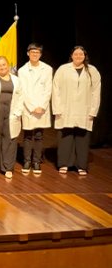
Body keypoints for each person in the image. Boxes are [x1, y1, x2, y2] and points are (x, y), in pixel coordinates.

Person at [53, 46, 102, 175]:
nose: (78, 56)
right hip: (66, 108)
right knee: (66, 136)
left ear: (85, 56)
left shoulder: (92, 71)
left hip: (84, 109)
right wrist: (57, 107)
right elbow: (55, 89)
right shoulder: (63, 69)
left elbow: (96, 92)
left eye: (81, 54)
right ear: (71, 55)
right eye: (76, 54)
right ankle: (64, 164)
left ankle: (81, 165)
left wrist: (93, 110)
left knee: (82, 137)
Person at [0, 56, 23, 178]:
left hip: (11, 113)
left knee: (10, 138)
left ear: (8, 65)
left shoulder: (16, 80)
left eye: (4, 65)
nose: (2, 67)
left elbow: (21, 97)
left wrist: (17, 112)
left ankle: (7, 167)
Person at [19, 43, 53, 175]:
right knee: (27, 136)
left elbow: (48, 89)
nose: (35, 54)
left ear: (41, 54)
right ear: (28, 53)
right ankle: (27, 161)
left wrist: (42, 106)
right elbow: (23, 91)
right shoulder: (22, 70)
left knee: (39, 136)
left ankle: (37, 161)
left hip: (42, 108)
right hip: (28, 108)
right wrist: (32, 107)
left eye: (37, 52)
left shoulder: (47, 69)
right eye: (32, 52)